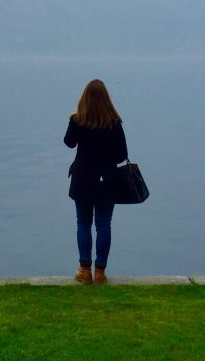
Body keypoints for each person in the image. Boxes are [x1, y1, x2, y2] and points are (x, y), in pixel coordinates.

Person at [64, 78, 128, 285]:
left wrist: (75, 121)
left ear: (84, 99)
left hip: (82, 178)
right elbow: (121, 155)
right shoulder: (114, 123)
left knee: (83, 223)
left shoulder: (77, 121)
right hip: (107, 180)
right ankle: (100, 271)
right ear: (106, 99)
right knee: (103, 224)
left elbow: (68, 142)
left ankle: (84, 270)